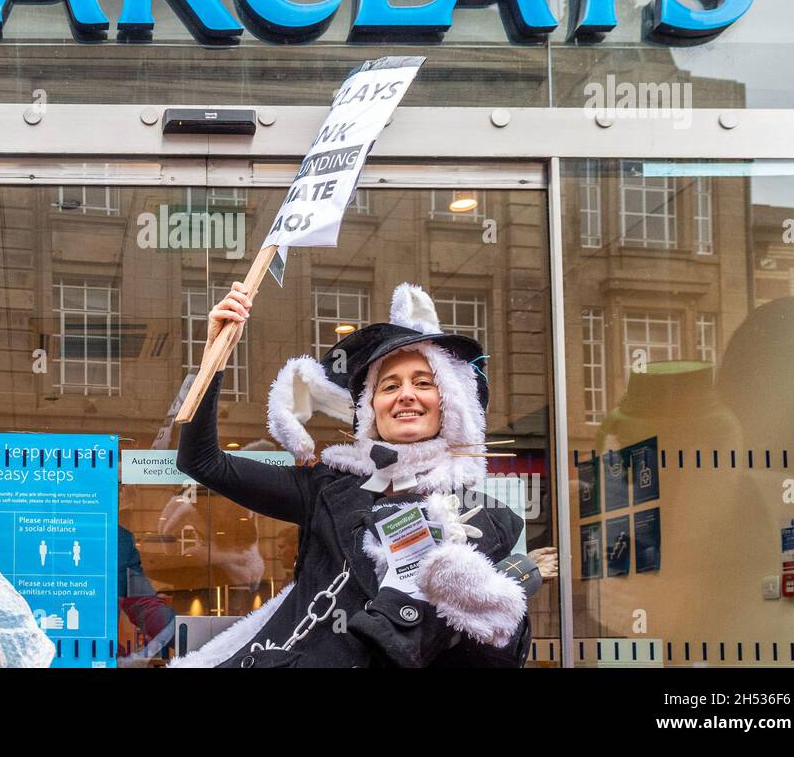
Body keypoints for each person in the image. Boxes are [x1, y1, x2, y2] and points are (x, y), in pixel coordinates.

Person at [172, 280, 540, 668]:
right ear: (371, 409)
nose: (406, 394)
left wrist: (491, 607)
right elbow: (202, 461)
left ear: (450, 402)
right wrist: (214, 357)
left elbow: (483, 659)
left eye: (423, 382)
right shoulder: (328, 488)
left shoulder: (483, 519)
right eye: (390, 385)